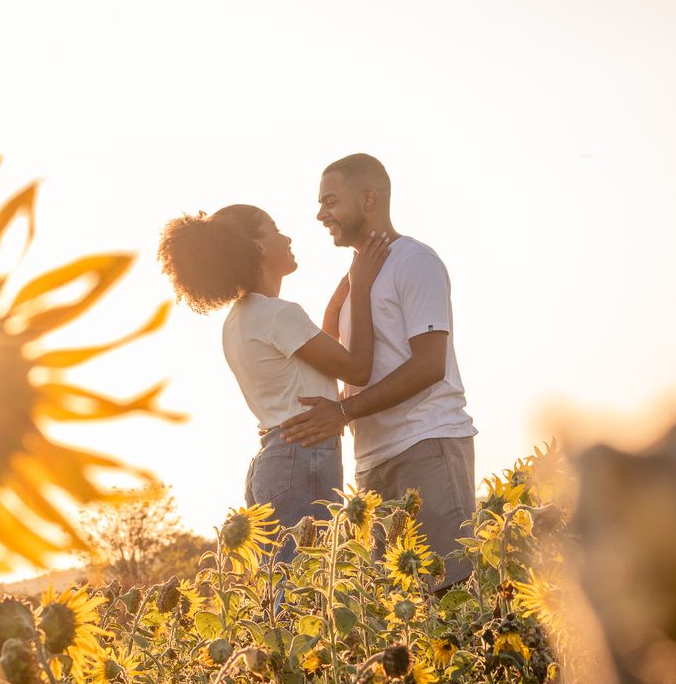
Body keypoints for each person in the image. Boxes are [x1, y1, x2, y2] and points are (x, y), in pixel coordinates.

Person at [156, 204, 390, 578]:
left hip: (275, 459)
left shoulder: (241, 318)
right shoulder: (278, 314)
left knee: (284, 586)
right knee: (304, 589)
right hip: (303, 457)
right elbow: (357, 366)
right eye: (275, 229)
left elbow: (319, 357)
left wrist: (346, 286)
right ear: (258, 247)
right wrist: (360, 287)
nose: (287, 237)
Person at [280, 154, 477, 593]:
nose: (320, 214)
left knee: (451, 597)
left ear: (369, 198)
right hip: (372, 462)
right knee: (395, 614)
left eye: (330, 201)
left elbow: (430, 364)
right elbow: (336, 351)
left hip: (426, 445)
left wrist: (344, 411)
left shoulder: (414, 261)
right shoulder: (359, 276)